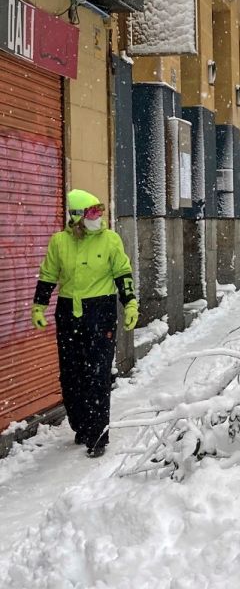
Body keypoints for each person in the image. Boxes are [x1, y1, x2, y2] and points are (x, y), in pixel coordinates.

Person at [30, 189, 138, 458]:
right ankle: (81, 424)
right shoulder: (59, 242)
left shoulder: (110, 240)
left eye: (100, 211)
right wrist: (39, 305)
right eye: (92, 212)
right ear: (77, 217)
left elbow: (122, 272)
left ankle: (98, 434)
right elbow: (48, 274)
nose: (98, 217)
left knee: (98, 374)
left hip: (100, 312)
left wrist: (130, 303)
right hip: (68, 313)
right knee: (71, 376)